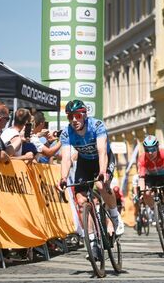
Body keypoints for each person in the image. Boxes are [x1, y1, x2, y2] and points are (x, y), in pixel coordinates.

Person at [58, 99, 124, 258]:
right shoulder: (67, 133)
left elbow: (102, 151)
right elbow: (66, 158)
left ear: (84, 115)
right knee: (81, 201)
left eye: (78, 116)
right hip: (85, 163)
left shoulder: (97, 126)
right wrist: (63, 178)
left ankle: (115, 217)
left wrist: (102, 172)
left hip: (103, 159)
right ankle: (93, 242)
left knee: (101, 186)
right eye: (70, 117)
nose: (74, 120)